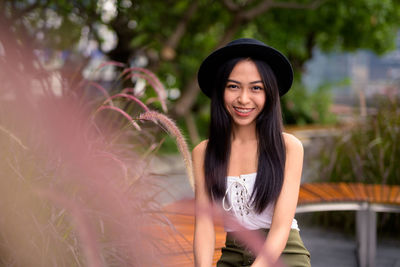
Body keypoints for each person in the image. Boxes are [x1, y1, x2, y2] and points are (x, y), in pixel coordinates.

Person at [192, 38, 311, 267]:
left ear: (269, 94)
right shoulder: (204, 152)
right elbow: (204, 226)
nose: (243, 99)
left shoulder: (289, 148)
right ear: (220, 91)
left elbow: (280, 229)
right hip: (233, 255)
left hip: (283, 254)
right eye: (233, 86)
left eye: (256, 88)